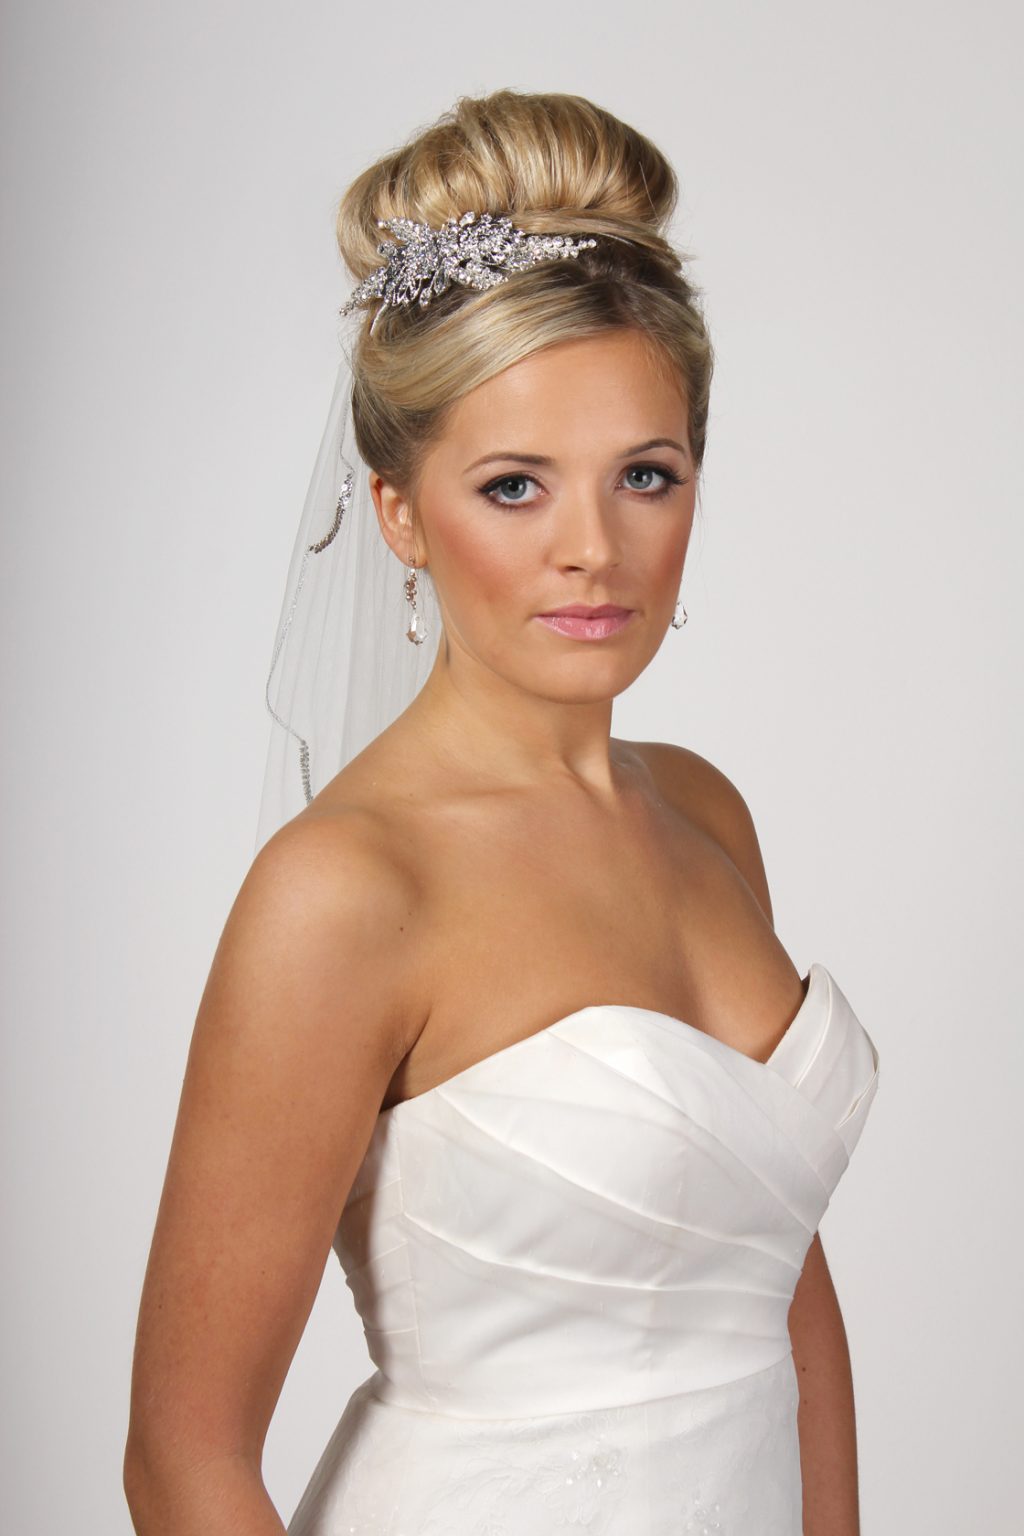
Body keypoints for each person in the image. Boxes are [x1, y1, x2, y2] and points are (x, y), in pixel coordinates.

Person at [124, 89, 881, 1536]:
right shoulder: (348, 890)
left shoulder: (707, 810)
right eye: (515, 486)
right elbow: (183, 1457)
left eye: (644, 476)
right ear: (400, 513)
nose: (592, 549)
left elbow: (779, 1283)